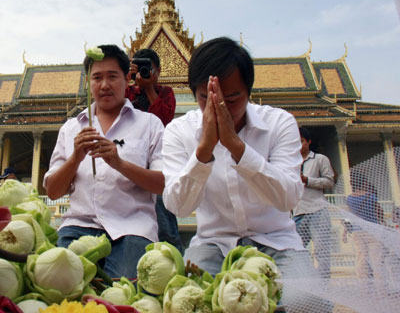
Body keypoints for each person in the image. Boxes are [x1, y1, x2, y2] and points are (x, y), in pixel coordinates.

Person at [162, 37, 308, 277]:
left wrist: (237, 147)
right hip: (214, 244)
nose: (219, 107)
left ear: (249, 92)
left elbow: (289, 198)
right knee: (186, 299)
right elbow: (178, 206)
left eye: (231, 100)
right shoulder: (179, 132)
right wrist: (203, 151)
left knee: (304, 301)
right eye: (204, 99)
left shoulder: (279, 123)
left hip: (277, 241)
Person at [44, 44, 165, 279]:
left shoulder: (150, 125)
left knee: (123, 294)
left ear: (128, 78)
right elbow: (53, 190)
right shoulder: (72, 128)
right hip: (78, 226)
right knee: (57, 287)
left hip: (132, 229)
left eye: (112, 76)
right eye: (97, 78)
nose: (105, 85)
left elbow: (162, 185)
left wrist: (119, 163)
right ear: (88, 82)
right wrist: (76, 158)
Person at [125, 48, 183, 253]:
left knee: (165, 224)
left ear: (157, 70)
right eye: (139, 68)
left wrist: (150, 89)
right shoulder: (128, 92)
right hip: (130, 161)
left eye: (147, 68)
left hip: (158, 163)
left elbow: (163, 120)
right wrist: (126, 78)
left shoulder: (165, 93)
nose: (143, 72)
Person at [292, 127, 335, 279]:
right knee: (295, 251)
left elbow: (329, 182)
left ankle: (323, 286)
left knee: (321, 252)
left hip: (317, 210)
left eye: (302, 141)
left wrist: (308, 180)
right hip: (298, 213)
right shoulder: (291, 162)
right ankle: (305, 284)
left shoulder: (319, 159)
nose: (299, 145)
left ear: (309, 142)